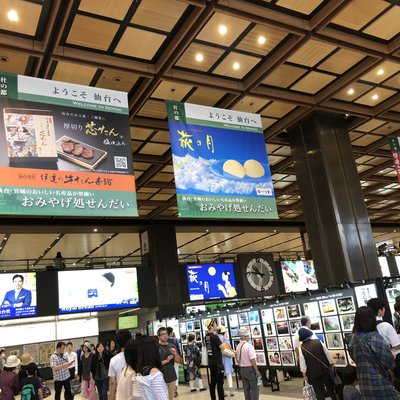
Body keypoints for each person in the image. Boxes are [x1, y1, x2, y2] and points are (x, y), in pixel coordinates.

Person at [349, 306, 397, 399]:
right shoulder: (374, 337)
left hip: (363, 382)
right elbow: (389, 363)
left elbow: (355, 359)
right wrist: (392, 357)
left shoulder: (353, 339)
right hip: (380, 382)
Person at [298, 328, 336, 400]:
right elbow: (327, 354)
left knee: (319, 392)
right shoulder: (318, 342)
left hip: (313, 374)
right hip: (324, 370)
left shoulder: (302, 348)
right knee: (330, 389)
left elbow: (303, 364)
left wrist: (304, 374)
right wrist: (331, 363)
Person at [367, 298, 400, 378]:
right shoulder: (386, 326)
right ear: (379, 310)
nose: (384, 310)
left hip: (379, 361)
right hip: (395, 359)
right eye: (384, 308)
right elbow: (396, 346)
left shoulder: (368, 326)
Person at [236, 328, 260, 400]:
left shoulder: (238, 346)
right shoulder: (249, 346)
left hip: (242, 369)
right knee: (254, 388)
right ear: (245, 336)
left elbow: (237, 359)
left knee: (246, 389)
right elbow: (252, 359)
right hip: (250, 369)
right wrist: (256, 370)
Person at [204, 318, 225, 400]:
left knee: (213, 383)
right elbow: (223, 347)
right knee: (220, 384)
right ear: (211, 326)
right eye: (215, 324)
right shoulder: (215, 337)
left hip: (211, 362)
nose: (217, 326)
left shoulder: (206, 337)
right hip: (218, 363)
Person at [108, 330, 132, 400]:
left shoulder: (113, 360)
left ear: (117, 343)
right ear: (130, 340)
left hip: (121, 394)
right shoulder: (136, 356)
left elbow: (112, 382)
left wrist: (112, 398)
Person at [158, 327, 178, 400]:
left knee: (170, 398)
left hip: (172, 376)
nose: (165, 335)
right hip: (161, 378)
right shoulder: (156, 347)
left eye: (166, 333)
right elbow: (155, 364)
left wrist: (175, 354)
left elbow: (179, 361)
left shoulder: (172, 346)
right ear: (159, 336)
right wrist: (166, 360)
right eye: (162, 334)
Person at [217, 326, 234, 397]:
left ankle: (223, 392)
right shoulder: (226, 339)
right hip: (227, 360)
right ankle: (231, 391)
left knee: (221, 377)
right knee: (229, 375)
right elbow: (229, 348)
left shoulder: (216, 338)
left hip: (220, 360)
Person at [167, 327, 181, 398]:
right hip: (175, 359)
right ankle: (175, 389)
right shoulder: (174, 340)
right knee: (176, 374)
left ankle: (169, 389)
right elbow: (178, 350)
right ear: (171, 332)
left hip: (167, 360)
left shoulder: (164, 340)